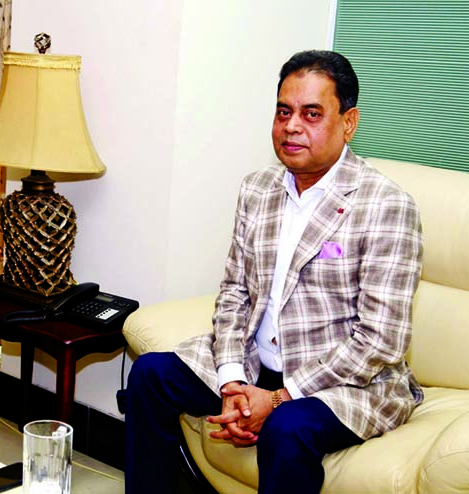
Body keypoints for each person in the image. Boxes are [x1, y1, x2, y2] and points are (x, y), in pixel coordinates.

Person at [124, 50, 423, 494]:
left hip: (342, 381)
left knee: (287, 427)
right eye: (284, 111)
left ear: (349, 122)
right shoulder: (257, 188)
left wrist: (279, 397)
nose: (292, 126)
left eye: (312, 113)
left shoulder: (386, 206)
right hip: (255, 363)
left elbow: (381, 339)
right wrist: (231, 381)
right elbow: (233, 294)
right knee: (151, 375)